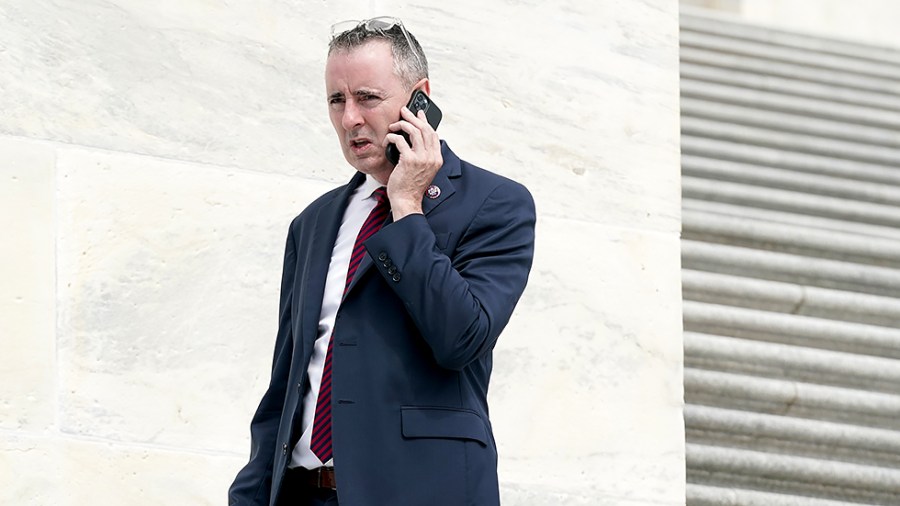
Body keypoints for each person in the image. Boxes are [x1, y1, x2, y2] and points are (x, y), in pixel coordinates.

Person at [228, 16, 536, 506]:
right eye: (336, 100)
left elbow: (462, 339)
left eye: (367, 98)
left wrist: (407, 209)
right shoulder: (313, 223)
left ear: (421, 98)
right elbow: (287, 383)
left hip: (421, 491)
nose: (350, 118)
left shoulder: (495, 202)